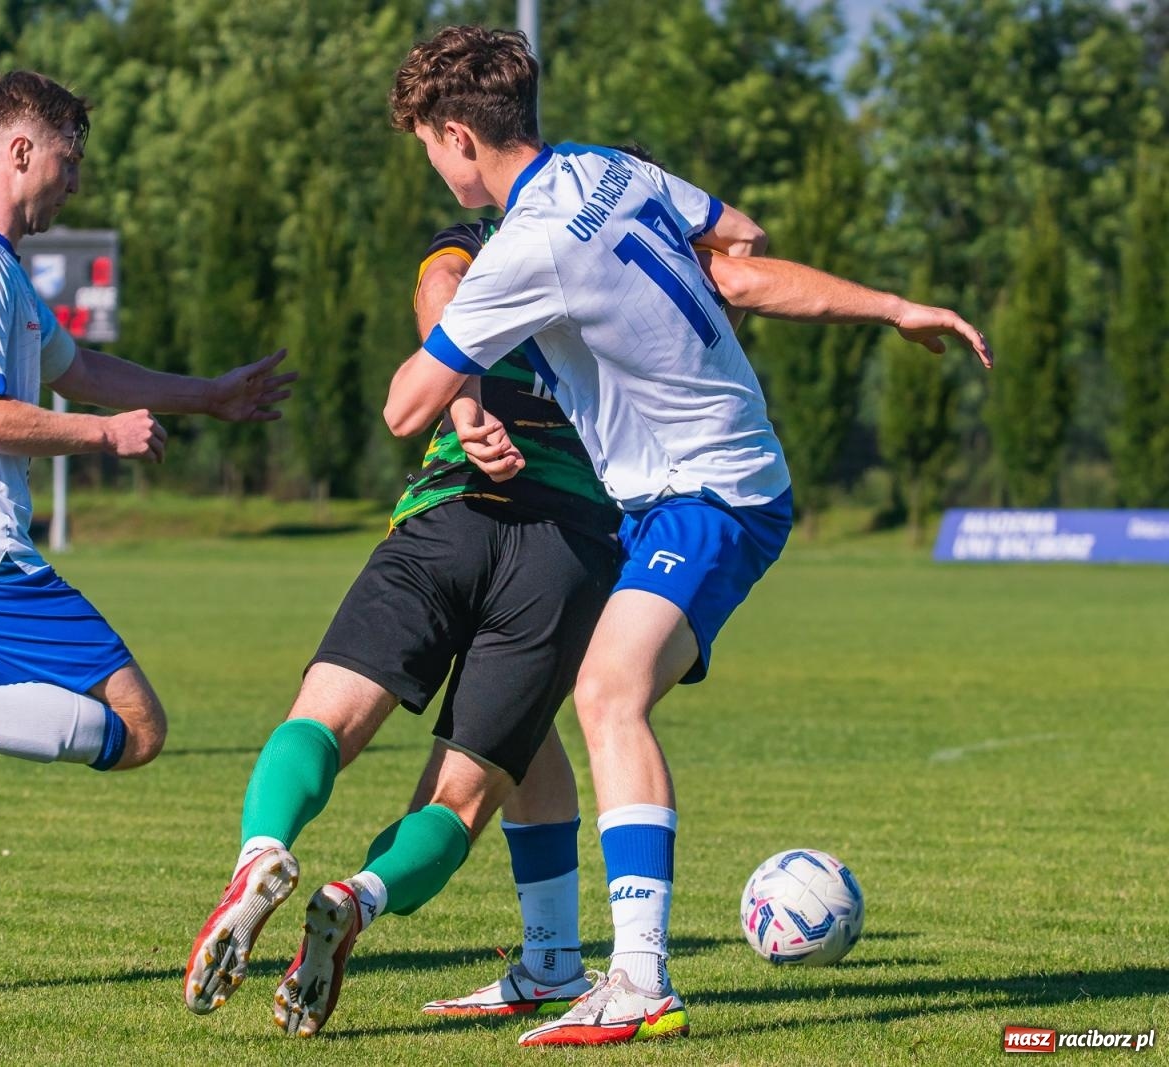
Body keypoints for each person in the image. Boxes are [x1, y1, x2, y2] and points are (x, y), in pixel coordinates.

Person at [381, 26, 991, 1047]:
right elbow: (739, 249)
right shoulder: (607, 168)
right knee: (540, 688)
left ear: (456, 135)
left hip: (708, 493)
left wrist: (457, 321)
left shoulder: (525, 245)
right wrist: (891, 308)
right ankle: (545, 960)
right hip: (678, 490)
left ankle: (638, 977)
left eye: (427, 147)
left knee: (606, 691)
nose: (433, 166)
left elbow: (406, 407)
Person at [184, 178, 766, 1036]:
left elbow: (439, 290)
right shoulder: (659, 285)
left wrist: (462, 391)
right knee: (462, 795)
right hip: (569, 549)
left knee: (327, 718)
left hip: (447, 513)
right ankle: (359, 898)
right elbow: (746, 274)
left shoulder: (492, 239)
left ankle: (264, 848)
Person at [0, 70, 295, 1004]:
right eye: (68, 164)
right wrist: (106, 438)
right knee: (138, 726)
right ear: (21, 150)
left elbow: (79, 368)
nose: (73, 187)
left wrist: (205, 395)